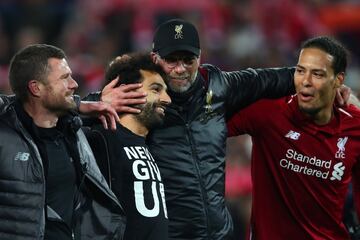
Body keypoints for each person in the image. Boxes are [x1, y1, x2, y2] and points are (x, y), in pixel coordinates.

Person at [87, 19, 350, 239]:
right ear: (155, 59)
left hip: (221, 234)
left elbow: (275, 79)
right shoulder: (143, 99)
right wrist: (92, 102)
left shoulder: (219, 86)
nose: (180, 69)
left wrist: (326, 85)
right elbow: (72, 114)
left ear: (200, 58)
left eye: (188, 59)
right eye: (171, 60)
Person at [227, 36, 360, 239]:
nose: (305, 82)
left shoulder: (355, 126)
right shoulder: (268, 112)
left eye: (317, 74)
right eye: (300, 71)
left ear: (338, 80)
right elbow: (208, 121)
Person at [0, 44, 125, 240]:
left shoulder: (72, 131)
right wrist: (78, 105)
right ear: (36, 88)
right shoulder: (6, 134)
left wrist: (79, 105)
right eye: (64, 78)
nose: (74, 84)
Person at [85, 53, 171, 240]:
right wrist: (95, 102)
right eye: (156, 89)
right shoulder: (98, 139)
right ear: (126, 92)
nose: (167, 99)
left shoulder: (152, 145)